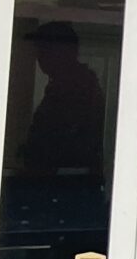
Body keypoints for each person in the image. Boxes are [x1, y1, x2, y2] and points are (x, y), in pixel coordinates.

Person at [19, 21, 105, 178]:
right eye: (39, 51)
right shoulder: (62, 85)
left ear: (65, 52)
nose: (40, 57)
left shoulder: (78, 86)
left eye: (45, 50)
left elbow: (65, 139)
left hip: (68, 183)